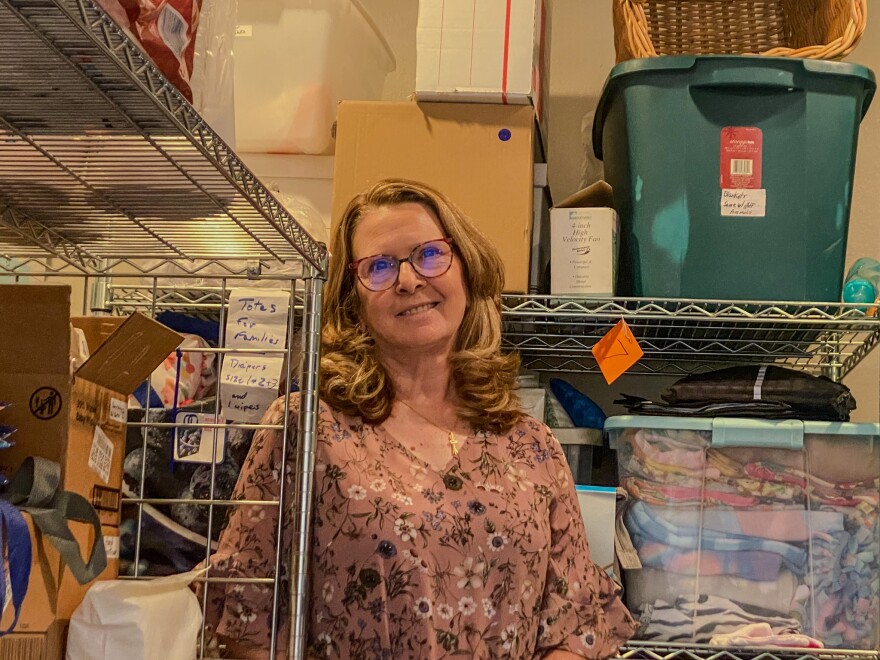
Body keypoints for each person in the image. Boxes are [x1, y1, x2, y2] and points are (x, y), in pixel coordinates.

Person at [204, 178, 636, 658]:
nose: (409, 280)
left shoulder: (533, 447)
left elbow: (573, 628)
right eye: (381, 266)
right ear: (353, 302)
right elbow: (245, 617)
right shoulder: (305, 430)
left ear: (466, 271)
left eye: (429, 254)